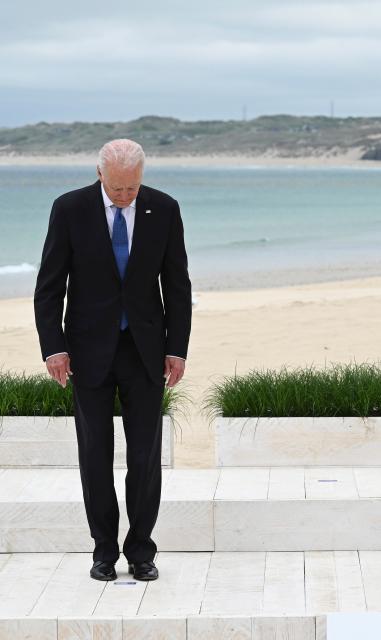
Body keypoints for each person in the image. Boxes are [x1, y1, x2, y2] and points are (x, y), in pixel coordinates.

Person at [34, 139, 192, 582]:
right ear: (100, 173)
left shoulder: (164, 208)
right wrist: (54, 347)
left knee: (144, 457)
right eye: (117, 189)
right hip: (87, 352)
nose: (124, 196)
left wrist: (176, 347)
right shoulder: (69, 209)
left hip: (145, 351)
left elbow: (177, 283)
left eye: (132, 188)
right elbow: (50, 286)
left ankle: (141, 551)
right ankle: (103, 550)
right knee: (95, 455)